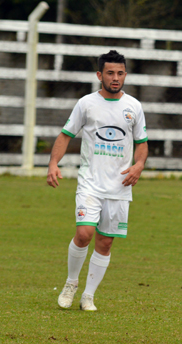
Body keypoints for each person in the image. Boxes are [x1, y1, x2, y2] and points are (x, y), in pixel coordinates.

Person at [47, 50, 148, 311]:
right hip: (90, 182)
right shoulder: (86, 103)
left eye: (120, 73)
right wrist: (53, 164)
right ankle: (71, 283)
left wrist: (139, 165)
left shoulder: (134, 107)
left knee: (105, 242)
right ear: (99, 75)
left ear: (125, 75)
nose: (115, 78)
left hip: (120, 186)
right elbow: (66, 134)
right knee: (84, 233)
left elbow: (142, 144)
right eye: (110, 73)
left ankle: (88, 295)